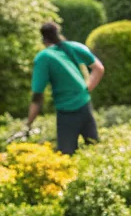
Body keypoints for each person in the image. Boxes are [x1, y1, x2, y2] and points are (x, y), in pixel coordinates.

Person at [28, 21, 105, 155]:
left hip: (66, 111)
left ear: (43, 39)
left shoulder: (44, 57)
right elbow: (99, 68)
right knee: (94, 148)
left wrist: (29, 123)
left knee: (67, 155)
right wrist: (87, 88)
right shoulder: (74, 47)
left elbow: (37, 96)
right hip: (85, 104)